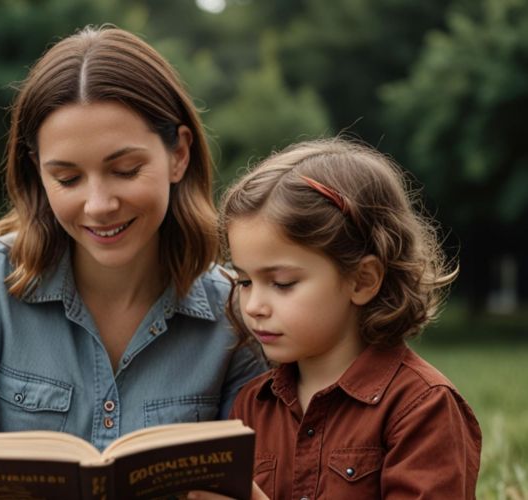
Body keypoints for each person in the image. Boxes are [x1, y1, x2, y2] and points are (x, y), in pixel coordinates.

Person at [0, 25, 267, 500]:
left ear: (179, 154)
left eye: (125, 170)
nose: (98, 204)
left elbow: (262, 476)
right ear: (37, 174)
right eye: (67, 178)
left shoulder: (240, 313)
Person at [189, 137, 482, 499]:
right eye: (246, 281)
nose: (253, 306)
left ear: (363, 280)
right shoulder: (252, 405)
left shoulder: (422, 408)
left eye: (281, 283)